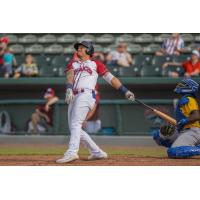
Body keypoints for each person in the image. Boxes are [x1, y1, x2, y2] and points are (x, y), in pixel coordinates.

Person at [56, 41, 135, 163]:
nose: (79, 49)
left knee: (76, 124)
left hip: (86, 94)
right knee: (74, 128)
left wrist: (125, 91)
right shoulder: (72, 63)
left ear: (89, 50)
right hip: (73, 96)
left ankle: (72, 152)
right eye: (78, 48)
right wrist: (68, 88)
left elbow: (111, 78)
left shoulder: (96, 63)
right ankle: (97, 152)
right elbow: (70, 75)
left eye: (82, 48)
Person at [153, 78, 200, 158]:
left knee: (173, 152)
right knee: (159, 135)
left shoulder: (188, 99)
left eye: (183, 85)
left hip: (193, 131)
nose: (180, 86)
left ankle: (189, 148)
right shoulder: (187, 99)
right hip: (183, 130)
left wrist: (185, 120)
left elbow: (197, 115)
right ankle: (183, 146)